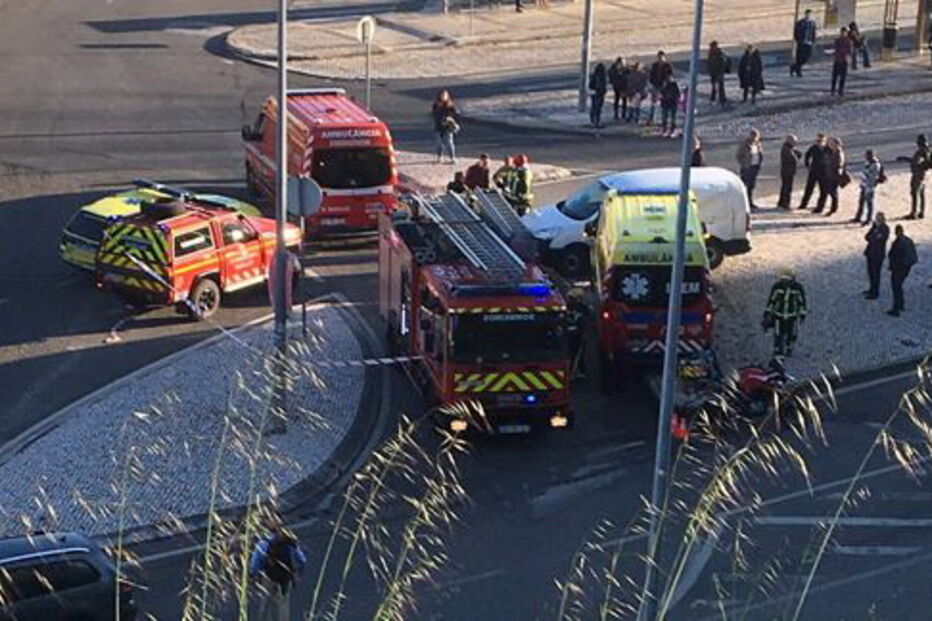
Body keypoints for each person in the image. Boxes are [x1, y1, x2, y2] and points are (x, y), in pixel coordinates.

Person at [249, 522, 308, 621]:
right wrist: (299, 570)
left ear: (268, 529)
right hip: (285, 577)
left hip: (268, 577)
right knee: (283, 605)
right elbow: (302, 559)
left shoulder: (263, 543)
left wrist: (252, 574)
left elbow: (256, 562)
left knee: (265, 603)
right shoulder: (289, 542)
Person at [763, 268, 807, 357]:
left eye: (787, 280)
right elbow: (772, 300)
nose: (785, 282)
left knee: (792, 333)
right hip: (778, 315)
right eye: (784, 279)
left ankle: (789, 347)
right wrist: (768, 312)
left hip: (792, 315)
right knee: (778, 333)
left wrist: (802, 313)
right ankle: (778, 349)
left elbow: (801, 301)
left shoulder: (797, 288)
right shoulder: (777, 287)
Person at [898, 134, 931, 219]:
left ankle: (913, 213)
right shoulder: (928, 150)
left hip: (918, 174)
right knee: (921, 194)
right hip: (924, 175)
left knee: (914, 193)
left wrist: (904, 159)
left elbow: (915, 162)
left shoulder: (920, 151)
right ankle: (921, 212)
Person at [887, 224, 918, 316]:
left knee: (896, 287)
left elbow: (893, 255)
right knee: (899, 286)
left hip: (899, 268)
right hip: (906, 267)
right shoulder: (908, 240)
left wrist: (893, 266)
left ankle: (896, 308)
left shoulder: (898, 243)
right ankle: (901, 304)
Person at [815, 136, 845, 215]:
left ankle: (834, 208)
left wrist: (834, 168)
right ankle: (832, 208)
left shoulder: (838, 152)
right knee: (830, 191)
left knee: (833, 192)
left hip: (834, 175)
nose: (830, 145)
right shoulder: (832, 152)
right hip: (829, 174)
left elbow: (839, 164)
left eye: (832, 144)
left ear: (837, 144)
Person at [798, 133, 829, 209]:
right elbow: (807, 155)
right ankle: (803, 204)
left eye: (822, 141)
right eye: (818, 141)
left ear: (825, 141)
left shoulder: (828, 149)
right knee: (809, 189)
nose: (820, 142)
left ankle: (820, 205)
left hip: (823, 172)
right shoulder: (813, 148)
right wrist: (807, 165)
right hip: (814, 171)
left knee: (823, 190)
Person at [565, 288, 590, 379]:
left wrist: (583, 333)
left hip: (578, 335)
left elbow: (587, 321)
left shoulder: (583, 309)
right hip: (569, 335)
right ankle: (571, 371)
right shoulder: (566, 307)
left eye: (572, 298)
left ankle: (580, 370)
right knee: (570, 354)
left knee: (579, 354)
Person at [863, 211, 889, 300]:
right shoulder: (875, 227)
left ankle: (875, 292)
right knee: (870, 272)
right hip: (870, 252)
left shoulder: (885, 229)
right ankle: (871, 289)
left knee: (876, 274)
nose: (877, 220)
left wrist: (873, 236)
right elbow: (867, 237)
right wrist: (873, 235)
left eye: (878, 218)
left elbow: (876, 239)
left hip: (878, 255)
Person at [736, 129, 763, 209]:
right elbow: (738, 155)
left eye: (756, 137)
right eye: (754, 136)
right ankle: (744, 203)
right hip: (747, 168)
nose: (755, 138)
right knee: (745, 185)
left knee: (751, 186)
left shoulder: (758, 144)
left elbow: (759, 154)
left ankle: (750, 202)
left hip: (754, 167)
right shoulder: (744, 145)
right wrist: (744, 164)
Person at [853, 149, 882, 224]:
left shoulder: (876, 165)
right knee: (861, 202)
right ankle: (858, 217)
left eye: (868, 155)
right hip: (864, 184)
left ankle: (869, 219)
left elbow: (872, 176)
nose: (866, 157)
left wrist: (864, 176)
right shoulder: (867, 163)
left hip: (870, 186)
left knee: (869, 203)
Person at [431, 90, 459, 164]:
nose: (444, 97)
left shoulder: (451, 105)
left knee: (450, 142)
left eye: (445, 95)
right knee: (439, 144)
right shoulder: (436, 105)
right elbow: (434, 115)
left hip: (448, 127)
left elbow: (455, 115)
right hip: (439, 127)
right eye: (442, 95)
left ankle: (452, 157)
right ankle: (439, 157)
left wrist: (450, 120)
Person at [647, 51, 673, 125]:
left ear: (664, 57)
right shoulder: (654, 65)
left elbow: (670, 76)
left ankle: (663, 120)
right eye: (659, 57)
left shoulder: (668, 66)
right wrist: (651, 83)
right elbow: (651, 75)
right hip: (655, 86)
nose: (660, 59)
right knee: (653, 103)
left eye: (661, 57)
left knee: (664, 104)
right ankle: (652, 119)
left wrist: (666, 84)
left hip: (664, 87)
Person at [792, 8, 818, 77]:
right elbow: (796, 32)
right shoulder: (800, 23)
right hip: (801, 42)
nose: (808, 15)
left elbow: (813, 33)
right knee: (800, 58)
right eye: (807, 14)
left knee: (806, 58)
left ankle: (794, 67)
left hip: (808, 43)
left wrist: (813, 40)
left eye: (810, 14)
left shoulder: (812, 23)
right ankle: (798, 72)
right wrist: (798, 40)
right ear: (805, 14)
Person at [778, 135, 802, 209]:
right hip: (787, 171)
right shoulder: (786, 149)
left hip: (788, 171)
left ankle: (781, 202)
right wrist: (795, 155)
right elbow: (793, 159)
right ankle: (785, 203)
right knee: (787, 188)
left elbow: (799, 154)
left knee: (785, 187)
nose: (795, 143)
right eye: (794, 141)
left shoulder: (790, 148)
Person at [831, 27, 853, 97]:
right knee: (835, 76)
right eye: (842, 32)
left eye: (845, 33)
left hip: (844, 60)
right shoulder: (837, 40)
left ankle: (841, 90)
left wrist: (843, 52)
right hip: (837, 60)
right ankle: (833, 90)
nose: (843, 34)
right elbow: (836, 49)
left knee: (843, 77)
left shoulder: (848, 41)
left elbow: (849, 51)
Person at [707, 41, 729, 107]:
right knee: (713, 87)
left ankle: (722, 100)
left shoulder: (720, 54)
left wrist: (721, 72)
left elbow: (723, 64)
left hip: (719, 73)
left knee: (720, 87)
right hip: (713, 74)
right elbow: (709, 64)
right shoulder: (710, 54)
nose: (711, 48)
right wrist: (710, 72)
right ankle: (713, 99)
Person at [607, 56, 629, 121]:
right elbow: (610, 74)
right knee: (617, 100)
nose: (621, 64)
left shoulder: (626, 69)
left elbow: (629, 75)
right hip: (617, 87)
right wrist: (613, 82)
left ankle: (623, 114)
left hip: (624, 86)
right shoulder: (613, 69)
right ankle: (616, 114)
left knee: (624, 101)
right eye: (620, 63)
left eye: (623, 63)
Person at [588, 62, 608, 128]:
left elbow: (590, 85)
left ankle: (593, 121)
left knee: (594, 107)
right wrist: (602, 91)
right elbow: (602, 86)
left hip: (595, 93)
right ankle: (596, 121)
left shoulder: (594, 75)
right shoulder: (602, 76)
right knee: (597, 108)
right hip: (599, 94)